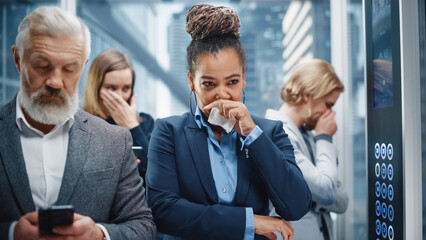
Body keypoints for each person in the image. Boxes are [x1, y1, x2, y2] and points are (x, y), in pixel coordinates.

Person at [146, 4, 311, 240]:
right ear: (191, 81)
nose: (222, 94)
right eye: (209, 84)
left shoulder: (269, 132)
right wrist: (249, 222)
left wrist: (252, 135)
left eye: (232, 82)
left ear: (244, 78)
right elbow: (164, 211)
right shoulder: (169, 132)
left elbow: (296, 206)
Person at [0, 6, 155, 240]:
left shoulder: (114, 139)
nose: (55, 82)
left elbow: (143, 225)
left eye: (70, 68)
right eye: (42, 66)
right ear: (18, 59)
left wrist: (99, 234)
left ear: (83, 66)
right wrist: (11, 233)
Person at [265, 59, 349, 240]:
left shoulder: (309, 137)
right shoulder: (276, 134)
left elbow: (342, 199)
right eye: (328, 104)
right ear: (308, 95)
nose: (330, 114)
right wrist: (324, 137)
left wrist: (309, 198)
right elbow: (326, 192)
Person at [83, 49, 154, 182]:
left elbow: (158, 175)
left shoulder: (146, 123)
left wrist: (132, 126)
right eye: (111, 88)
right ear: (95, 88)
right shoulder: (81, 124)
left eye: (126, 88)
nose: (120, 97)